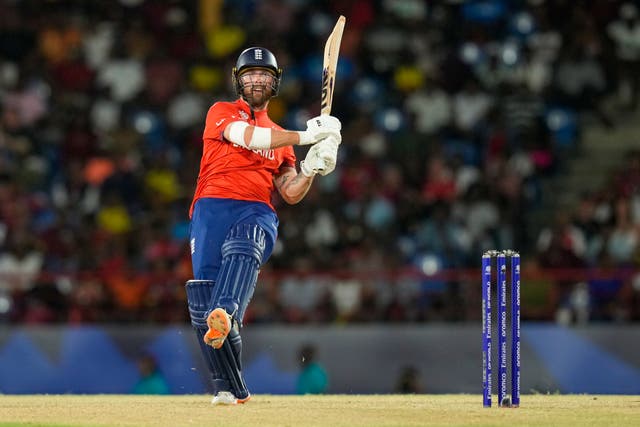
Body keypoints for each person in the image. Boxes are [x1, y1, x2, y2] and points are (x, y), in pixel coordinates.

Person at [184, 47, 342, 405]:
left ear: (275, 83)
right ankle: (231, 388)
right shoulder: (221, 112)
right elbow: (248, 137)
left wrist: (311, 167)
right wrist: (306, 138)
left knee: (246, 246)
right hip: (210, 209)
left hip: (255, 210)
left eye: (264, 75)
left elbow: (289, 192)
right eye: (250, 74)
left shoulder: (282, 140)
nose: (257, 80)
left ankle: (227, 311)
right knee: (202, 305)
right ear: (239, 81)